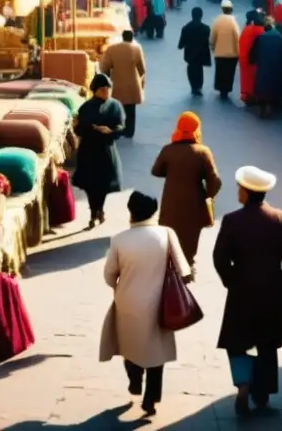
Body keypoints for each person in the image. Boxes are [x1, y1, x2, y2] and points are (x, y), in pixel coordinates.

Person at [213, 166, 282, 416]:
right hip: (272, 292)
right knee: (266, 343)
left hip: (241, 290)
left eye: (239, 188)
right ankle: (262, 394)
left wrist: (231, 280)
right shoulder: (279, 218)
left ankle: (243, 385)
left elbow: (219, 258)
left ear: (246, 191)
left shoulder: (232, 220)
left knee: (238, 341)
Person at [100, 191, 191, 417]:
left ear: (130, 211)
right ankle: (151, 398)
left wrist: (119, 285)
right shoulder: (167, 233)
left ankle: (134, 379)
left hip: (127, 300)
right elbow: (184, 270)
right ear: (154, 211)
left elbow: (109, 275)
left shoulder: (119, 239)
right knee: (156, 351)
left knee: (129, 345)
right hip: (159, 302)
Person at [152, 112, 222, 269]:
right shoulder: (203, 152)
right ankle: (188, 263)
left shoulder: (168, 150)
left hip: (171, 201)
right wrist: (209, 195)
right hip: (194, 203)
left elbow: (156, 171)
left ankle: (170, 263)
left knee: (170, 231)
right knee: (190, 234)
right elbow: (215, 181)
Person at [73, 74, 125, 228]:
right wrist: (87, 127)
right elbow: (79, 130)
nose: (106, 92)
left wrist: (110, 130)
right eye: (102, 89)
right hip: (88, 151)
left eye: (108, 89)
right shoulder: (86, 107)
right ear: (95, 90)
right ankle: (93, 212)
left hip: (106, 151)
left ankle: (99, 209)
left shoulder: (115, 106)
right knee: (90, 185)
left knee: (102, 185)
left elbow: (121, 127)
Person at [99, 30, 147, 139]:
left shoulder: (112, 49)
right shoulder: (136, 48)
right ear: (131, 38)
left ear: (123, 37)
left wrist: (107, 80)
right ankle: (129, 131)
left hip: (116, 83)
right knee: (130, 110)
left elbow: (105, 67)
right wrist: (141, 81)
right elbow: (142, 69)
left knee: (115, 107)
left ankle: (115, 130)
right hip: (132, 84)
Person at [249, 19, 282, 117]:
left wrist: (252, 61)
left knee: (262, 86)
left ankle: (262, 108)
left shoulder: (260, 38)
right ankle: (272, 106)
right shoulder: (280, 38)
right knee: (274, 86)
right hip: (276, 68)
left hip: (263, 68)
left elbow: (252, 55)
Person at [178, 7, 212, 96]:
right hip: (201, 55)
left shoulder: (186, 28)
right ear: (201, 16)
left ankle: (193, 87)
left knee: (191, 70)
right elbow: (209, 42)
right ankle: (198, 87)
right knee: (199, 71)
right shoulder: (206, 28)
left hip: (190, 55)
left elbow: (181, 44)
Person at [210, 0, 241, 100]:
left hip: (219, 53)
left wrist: (213, 47)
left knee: (220, 71)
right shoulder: (233, 22)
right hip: (232, 54)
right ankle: (226, 90)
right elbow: (237, 37)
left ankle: (220, 88)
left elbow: (212, 36)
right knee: (229, 73)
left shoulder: (217, 21)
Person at [239, 10, 265, 104]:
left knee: (246, 78)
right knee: (253, 79)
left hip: (244, 57)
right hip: (252, 60)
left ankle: (246, 95)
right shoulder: (260, 31)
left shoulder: (246, 29)